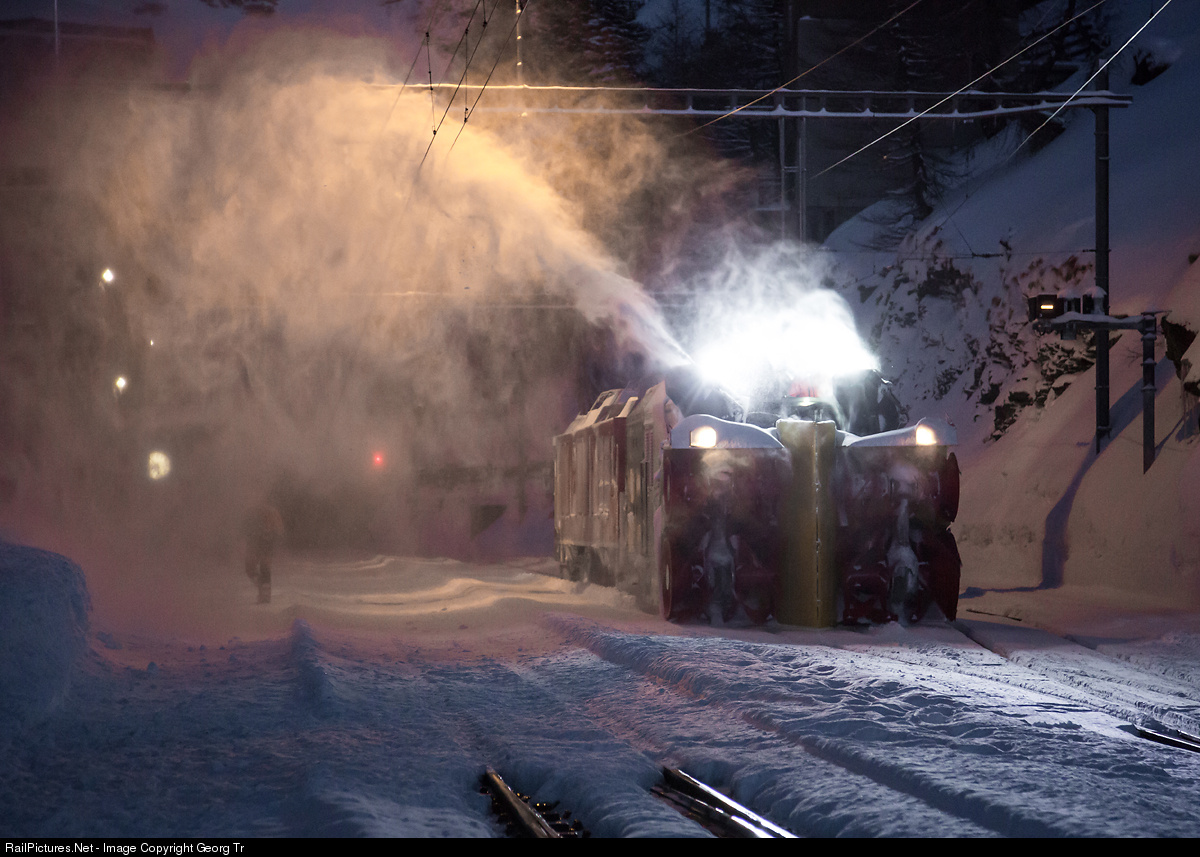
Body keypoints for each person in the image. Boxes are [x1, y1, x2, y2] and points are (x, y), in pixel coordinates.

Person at [243, 502, 284, 604]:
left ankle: (263, 589)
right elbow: (279, 530)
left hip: (260, 541)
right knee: (263, 567)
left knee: (253, 568)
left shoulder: (253, 511)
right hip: (267, 541)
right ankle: (264, 592)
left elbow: (247, 529)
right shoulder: (272, 512)